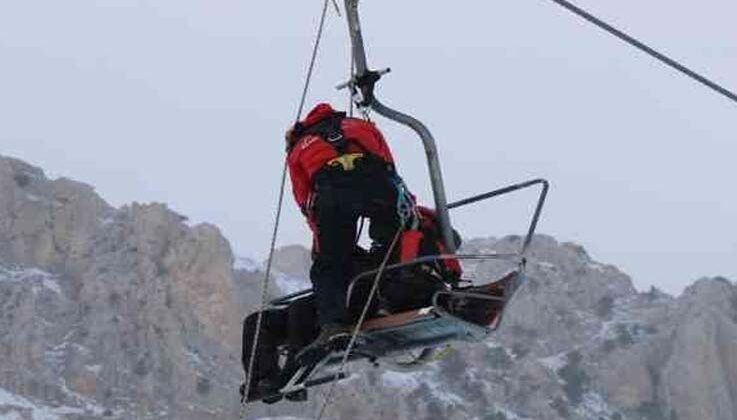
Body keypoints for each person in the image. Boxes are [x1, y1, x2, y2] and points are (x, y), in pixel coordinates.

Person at [284, 103, 412, 346]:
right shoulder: (362, 126)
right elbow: (390, 167)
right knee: (389, 243)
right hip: (377, 182)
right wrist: (402, 207)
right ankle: (393, 298)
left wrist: (320, 236)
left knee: (330, 264)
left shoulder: (299, 147)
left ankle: (334, 325)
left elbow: (304, 198)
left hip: (332, 193)